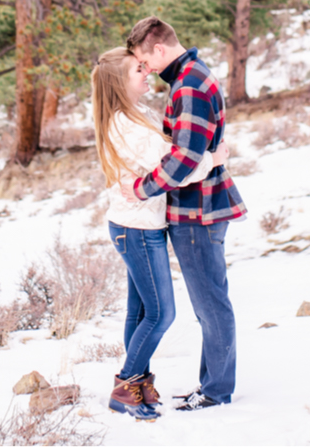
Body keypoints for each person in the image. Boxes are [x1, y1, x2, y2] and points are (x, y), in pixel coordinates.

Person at [91, 47, 226, 421]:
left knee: (140, 313)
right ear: (121, 83)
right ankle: (126, 385)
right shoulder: (128, 125)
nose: (147, 71)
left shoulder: (136, 114)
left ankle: (140, 382)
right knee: (162, 313)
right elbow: (175, 165)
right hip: (137, 229)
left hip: (137, 225)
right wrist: (214, 158)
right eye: (139, 69)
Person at [124, 16, 246, 411]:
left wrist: (142, 189)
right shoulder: (192, 75)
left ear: (159, 48)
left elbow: (186, 157)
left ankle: (216, 391)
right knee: (211, 301)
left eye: (146, 60)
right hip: (202, 207)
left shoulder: (190, 83)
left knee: (210, 304)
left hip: (198, 211)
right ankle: (214, 386)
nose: (147, 70)